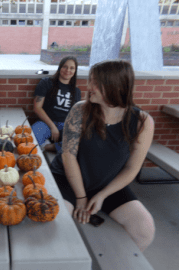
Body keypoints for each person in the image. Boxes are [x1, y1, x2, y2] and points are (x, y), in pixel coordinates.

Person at [49, 60, 155, 252]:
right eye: (90, 81)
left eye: (95, 83)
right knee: (57, 222)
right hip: (67, 179)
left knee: (145, 229)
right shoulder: (79, 110)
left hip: (109, 185)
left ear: (115, 86)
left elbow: (132, 168)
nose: (89, 87)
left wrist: (103, 195)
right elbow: (68, 157)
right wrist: (81, 198)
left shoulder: (142, 122)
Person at [32, 56, 81, 153]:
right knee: (31, 139)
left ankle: (47, 147)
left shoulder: (76, 91)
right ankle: (52, 146)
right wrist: (52, 127)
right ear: (60, 68)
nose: (68, 70)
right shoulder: (46, 82)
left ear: (75, 71)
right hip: (45, 123)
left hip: (65, 126)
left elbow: (75, 115)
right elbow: (37, 108)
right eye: (65, 67)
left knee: (78, 142)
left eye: (72, 68)